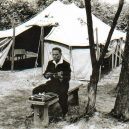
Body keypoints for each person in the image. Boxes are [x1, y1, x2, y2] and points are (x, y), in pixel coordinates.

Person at [32, 47, 71, 118]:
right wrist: (46, 75)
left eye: (56, 54)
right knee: (35, 90)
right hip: (52, 84)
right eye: (53, 54)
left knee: (62, 95)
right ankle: (36, 110)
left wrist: (61, 77)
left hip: (62, 85)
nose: (54, 56)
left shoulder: (66, 64)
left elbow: (68, 78)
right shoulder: (50, 63)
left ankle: (65, 113)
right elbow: (45, 74)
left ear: (60, 54)